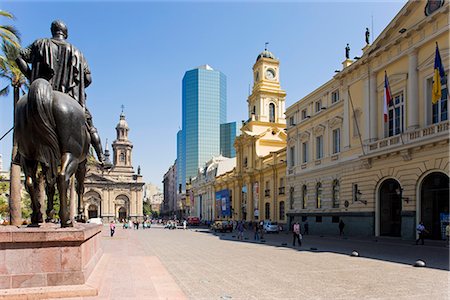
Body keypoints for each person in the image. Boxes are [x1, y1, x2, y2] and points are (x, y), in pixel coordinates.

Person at [16, 20, 105, 165]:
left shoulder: (40, 43)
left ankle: (20, 153)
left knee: (22, 118)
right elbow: (88, 78)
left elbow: (19, 57)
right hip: (70, 96)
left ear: (52, 31)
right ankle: (101, 156)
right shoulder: (77, 53)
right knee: (90, 125)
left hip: (39, 94)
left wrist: (32, 77)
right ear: (66, 33)